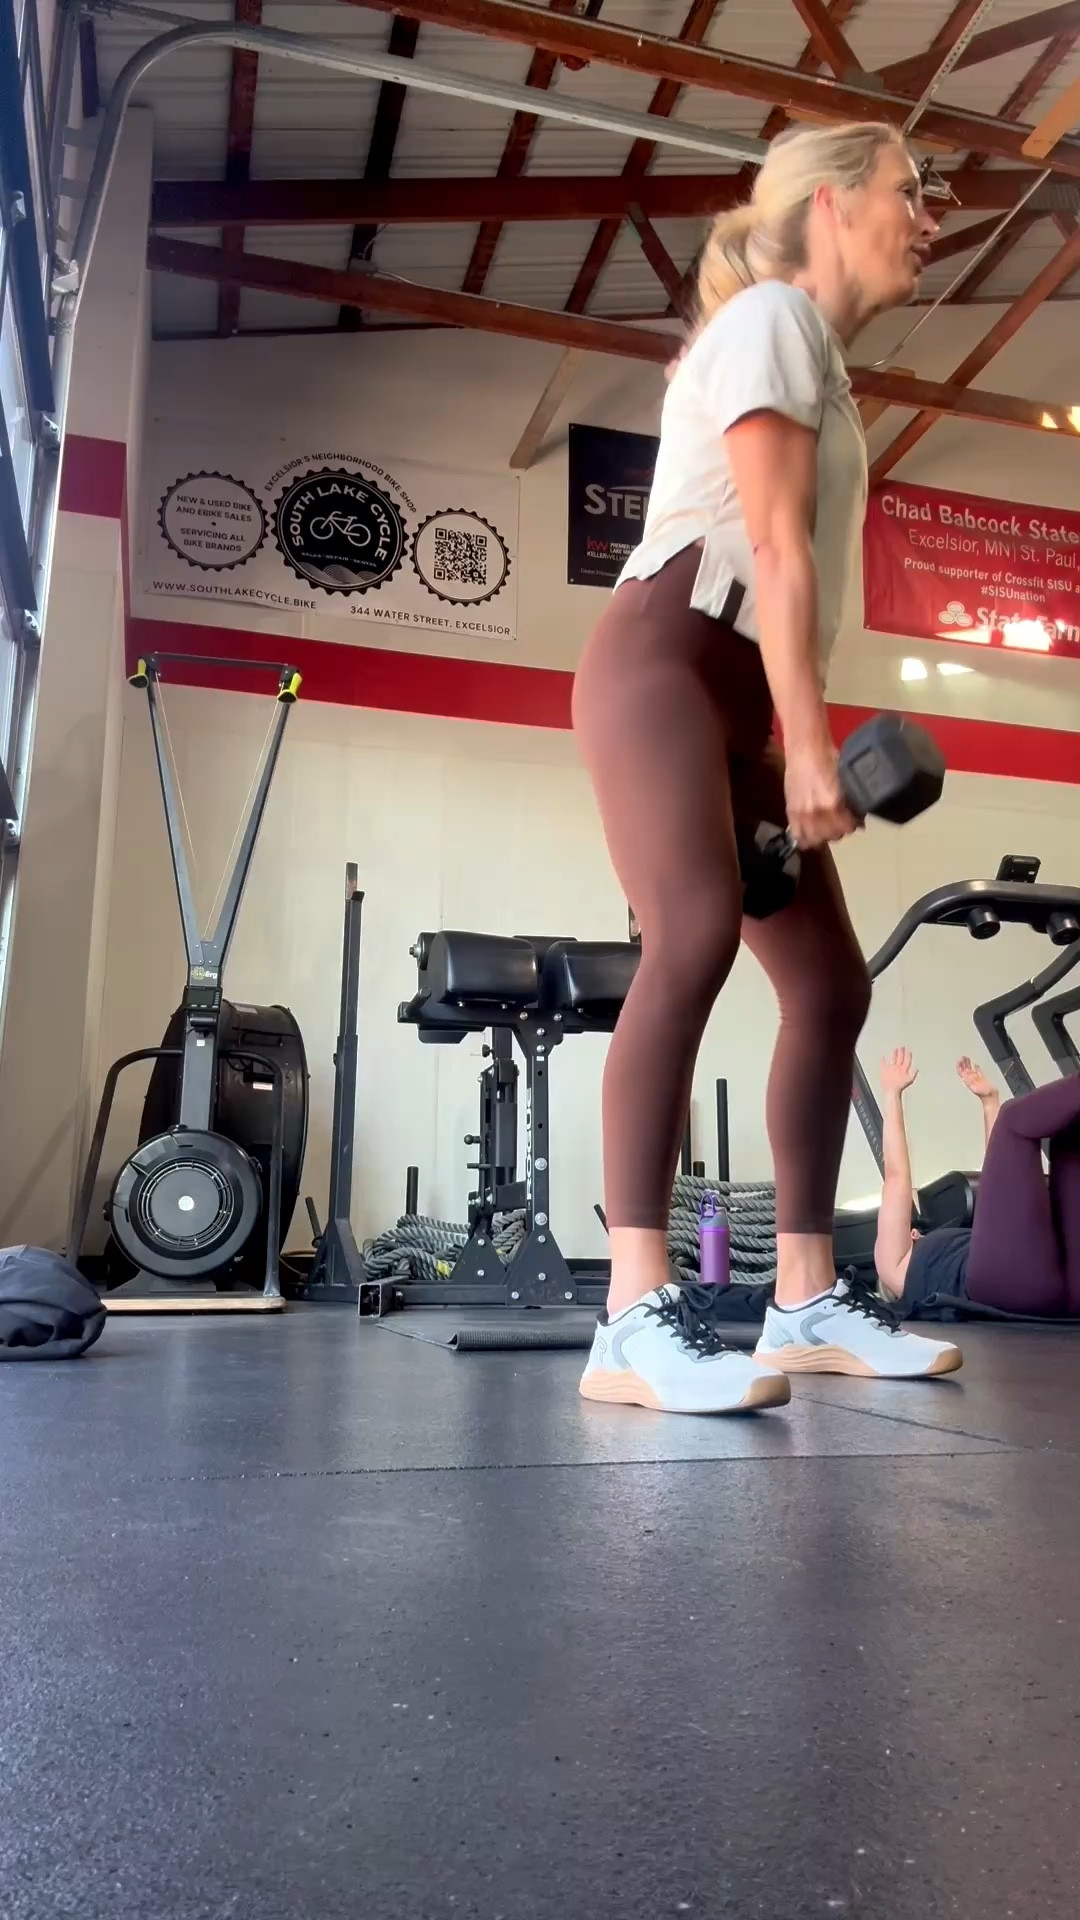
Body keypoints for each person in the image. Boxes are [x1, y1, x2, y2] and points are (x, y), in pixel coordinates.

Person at [575, 119, 955, 1418]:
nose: (932, 218)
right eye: (911, 191)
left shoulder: (826, 371)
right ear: (833, 205)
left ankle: (803, 1303)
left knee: (831, 984)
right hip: (663, 665)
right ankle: (630, 1316)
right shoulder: (774, 320)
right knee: (692, 937)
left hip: (738, 699)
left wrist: (786, 737)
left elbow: (796, 580)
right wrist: (806, 748)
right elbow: (776, 552)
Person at [874, 1047, 1080, 1319]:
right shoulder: (892, 1268)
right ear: (912, 1234)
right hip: (1011, 1284)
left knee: (1069, 1136)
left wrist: (989, 1102)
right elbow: (896, 1175)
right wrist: (891, 1095)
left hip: (1060, 1282)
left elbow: (1000, 1186)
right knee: (1013, 1120)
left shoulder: (968, 1244)